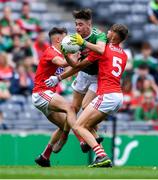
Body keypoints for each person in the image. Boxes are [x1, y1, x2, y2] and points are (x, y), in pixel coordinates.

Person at [46, 24, 128, 167]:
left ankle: (101, 156)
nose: (107, 32)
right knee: (86, 118)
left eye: (110, 31)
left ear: (114, 35)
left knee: (78, 126)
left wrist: (59, 75)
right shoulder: (124, 54)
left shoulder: (103, 50)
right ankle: (97, 143)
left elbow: (78, 66)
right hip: (118, 97)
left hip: (107, 95)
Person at [40, 8, 107, 163]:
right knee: (72, 110)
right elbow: (76, 65)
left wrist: (83, 43)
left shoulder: (99, 35)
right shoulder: (73, 39)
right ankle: (63, 139)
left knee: (85, 107)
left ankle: (95, 140)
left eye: (81, 24)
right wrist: (67, 56)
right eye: (76, 24)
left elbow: (101, 49)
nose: (77, 28)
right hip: (83, 74)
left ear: (89, 24)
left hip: (97, 77)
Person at [32, 27, 76, 167]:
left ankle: (45, 156)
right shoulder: (51, 52)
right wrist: (76, 54)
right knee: (70, 108)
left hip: (46, 95)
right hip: (42, 93)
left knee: (65, 123)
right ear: (58, 39)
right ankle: (72, 140)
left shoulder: (58, 52)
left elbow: (70, 66)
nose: (68, 40)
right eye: (66, 37)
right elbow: (63, 63)